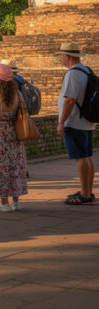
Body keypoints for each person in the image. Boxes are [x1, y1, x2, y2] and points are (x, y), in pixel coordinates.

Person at [0, 64, 28, 211]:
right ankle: (16, 201)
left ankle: (4, 203)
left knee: (0, 167)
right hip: (14, 133)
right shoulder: (18, 94)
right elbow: (22, 113)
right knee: (14, 166)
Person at [54, 43, 95, 205]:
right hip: (86, 120)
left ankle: (85, 194)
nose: (61, 58)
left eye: (62, 55)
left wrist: (62, 122)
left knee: (81, 157)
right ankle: (87, 190)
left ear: (68, 56)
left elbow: (70, 100)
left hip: (74, 121)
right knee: (87, 155)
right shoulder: (86, 71)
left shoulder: (73, 74)